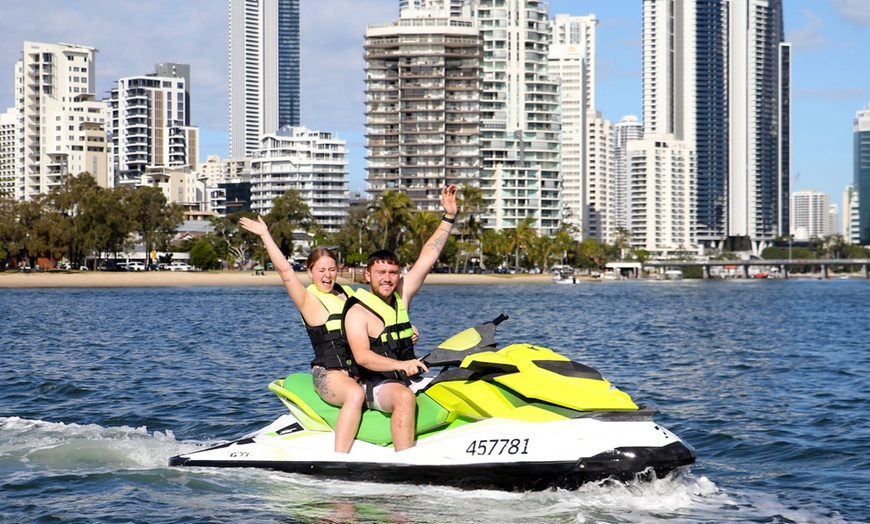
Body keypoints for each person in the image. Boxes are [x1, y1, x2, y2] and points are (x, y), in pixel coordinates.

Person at [343, 184, 458, 451]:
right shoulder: (358, 312)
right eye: (380, 273)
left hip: (409, 374)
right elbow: (362, 357)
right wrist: (401, 366)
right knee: (405, 398)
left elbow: (429, 256)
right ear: (367, 275)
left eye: (392, 273)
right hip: (374, 384)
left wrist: (449, 216)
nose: (387, 278)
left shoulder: (400, 296)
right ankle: (404, 461)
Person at [239, 216, 365, 453]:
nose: (327, 275)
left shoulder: (348, 293)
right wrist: (265, 235)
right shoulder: (308, 299)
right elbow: (285, 270)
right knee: (356, 396)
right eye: (321, 270)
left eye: (332, 269)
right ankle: (339, 459)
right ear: (310, 272)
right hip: (329, 374)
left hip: (359, 368)